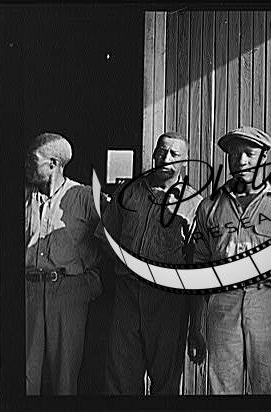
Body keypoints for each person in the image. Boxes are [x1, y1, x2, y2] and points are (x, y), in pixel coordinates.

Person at [190, 126, 271, 394]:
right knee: (223, 387)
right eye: (234, 154)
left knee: (268, 386)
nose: (241, 161)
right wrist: (196, 324)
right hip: (222, 303)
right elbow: (199, 267)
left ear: (264, 157)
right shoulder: (209, 207)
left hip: (267, 303)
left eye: (249, 153)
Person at [99, 131, 205, 395]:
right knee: (121, 379)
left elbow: (198, 265)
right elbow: (106, 239)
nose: (165, 158)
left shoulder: (195, 204)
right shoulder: (128, 191)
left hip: (167, 300)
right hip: (126, 294)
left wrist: (196, 323)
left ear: (185, 162)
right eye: (161, 151)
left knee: (165, 381)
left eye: (174, 154)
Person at [25, 132, 104, 395]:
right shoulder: (22, 197)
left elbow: (115, 235)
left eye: (32, 159)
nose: (26, 165)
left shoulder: (84, 196)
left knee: (64, 380)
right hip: (29, 293)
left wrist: (91, 280)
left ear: (53, 164)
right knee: (26, 377)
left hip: (68, 293)